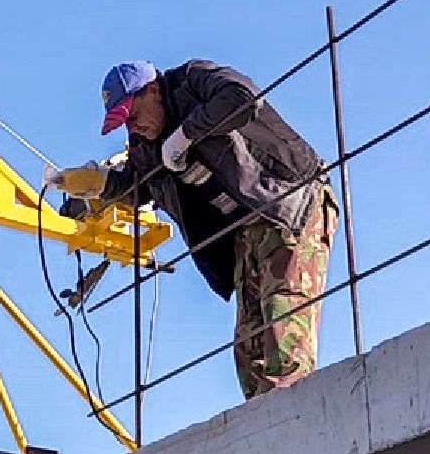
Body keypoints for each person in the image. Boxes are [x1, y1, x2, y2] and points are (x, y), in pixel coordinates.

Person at [47, 60, 338, 398]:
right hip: (248, 226)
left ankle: (292, 414)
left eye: (134, 116)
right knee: (249, 344)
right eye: (125, 123)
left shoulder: (192, 81)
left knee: (284, 316)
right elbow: (141, 186)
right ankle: (263, 421)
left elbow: (242, 96)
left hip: (288, 202)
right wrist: (100, 184)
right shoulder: (147, 146)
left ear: (153, 90)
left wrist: (188, 132)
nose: (134, 128)